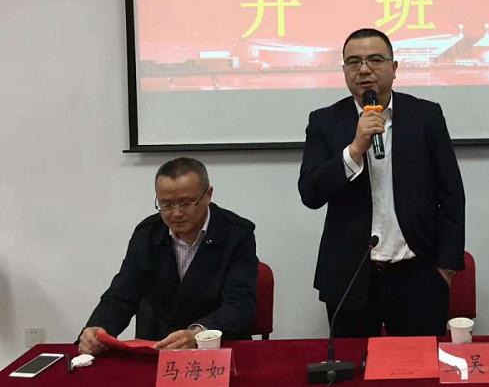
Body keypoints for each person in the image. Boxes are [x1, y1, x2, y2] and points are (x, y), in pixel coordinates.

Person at [298, 28, 465, 337]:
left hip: (418, 272)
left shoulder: (425, 115)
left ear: (394, 67)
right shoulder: (324, 121)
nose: (364, 69)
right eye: (354, 62)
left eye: (375, 59)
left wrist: (446, 267)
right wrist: (354, 149)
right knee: (354, 361)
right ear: (344, 71)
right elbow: (310, 192)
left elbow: (452, 194)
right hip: (352, 274)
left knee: (418, 361)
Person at [78, 158, 257, 354]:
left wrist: (198, 334)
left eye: (186, 203)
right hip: (157, 345)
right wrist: (98, 329)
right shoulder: (147, 234)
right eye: (167, 204)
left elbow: (240, 304)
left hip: (215, 348)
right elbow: (122, 295)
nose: (176, 213)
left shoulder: (236, 234)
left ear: (208, 195)